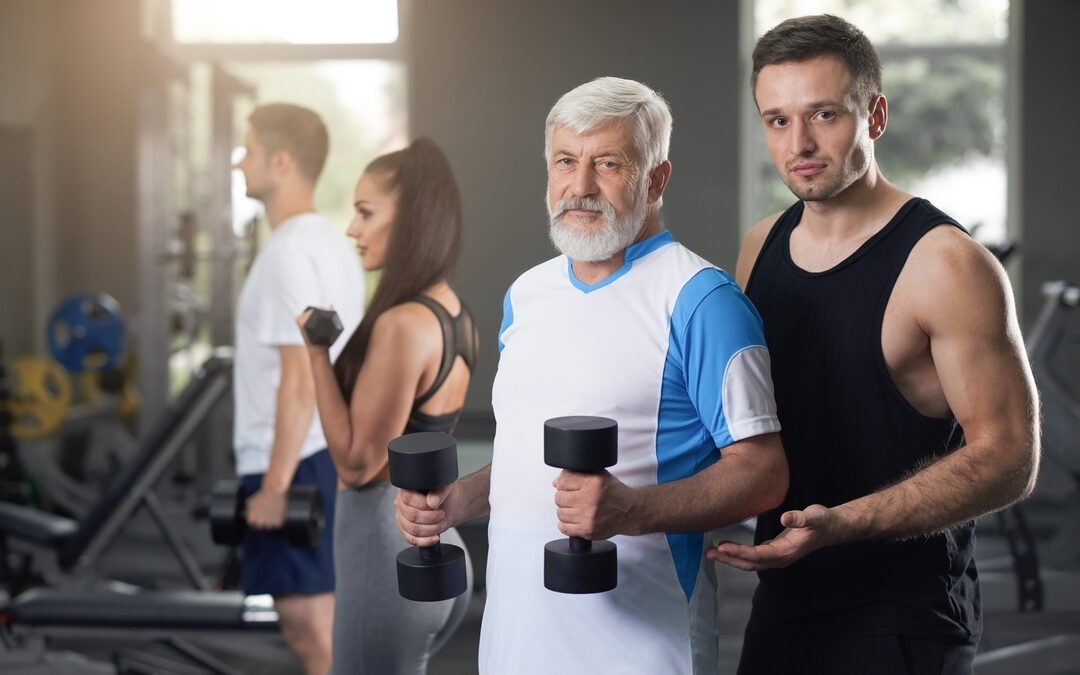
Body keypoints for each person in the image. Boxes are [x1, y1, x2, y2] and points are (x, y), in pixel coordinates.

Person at [395, 77, 789, 674]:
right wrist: (459, 500)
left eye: (608, 164)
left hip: (644, 650)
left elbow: (764, 472)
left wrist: (634, 511)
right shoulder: (527, 294)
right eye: (565, 161)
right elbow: (532, 457)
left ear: (656, 178)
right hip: (515, 644)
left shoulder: (702, 300)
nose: (580, 187)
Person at [708, 15, 1041, 675]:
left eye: (823, 114)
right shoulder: (760, 245)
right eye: (777, 120)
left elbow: (1011, 456)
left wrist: (844, 523)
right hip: (784, 600)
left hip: (902, 619)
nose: (798, 141)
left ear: (876, 114)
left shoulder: (946, 264)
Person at [296, 138, 479, 675]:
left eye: (366, 212)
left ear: (413, 219)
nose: (352, 228)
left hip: (383, 546)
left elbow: (357, 465)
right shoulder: (453, 312)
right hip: (434, 538)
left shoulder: (401, 325)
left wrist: (314, 353)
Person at [232, 103, 364, 675]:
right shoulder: (330, 244)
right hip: (317, 455)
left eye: (249, 150)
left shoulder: (287, 253)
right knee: (321, 625)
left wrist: (276, 485)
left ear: (281, 162)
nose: (239, 162)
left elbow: (298, 378)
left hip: (293, 461)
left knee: (309, 631)